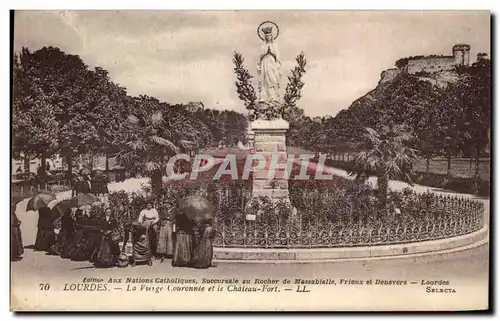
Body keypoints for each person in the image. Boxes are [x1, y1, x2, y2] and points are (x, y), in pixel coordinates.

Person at [257, 25, 282, 103]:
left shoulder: (274, 45)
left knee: (273, 79)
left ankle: (274, 97)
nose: (268, 37)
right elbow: (259, 57)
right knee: (265, 79)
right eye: (266, 36)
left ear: (272, 36)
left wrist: (271, 52)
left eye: (269, 36)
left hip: (272, 64)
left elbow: (278, 57)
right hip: (264, 63)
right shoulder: (263, 46)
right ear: (265, 37)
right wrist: (265, 53)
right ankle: (264, 97)